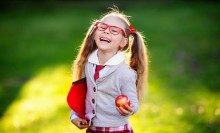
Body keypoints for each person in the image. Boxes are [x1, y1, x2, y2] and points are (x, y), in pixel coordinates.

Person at [70, 7, 148, 133]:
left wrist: (129, 109)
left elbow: (133, 103)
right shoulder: (88, 64)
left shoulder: (125, 73)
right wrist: (74, 116)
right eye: (102, 27)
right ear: (95, 33)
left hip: (117, 130)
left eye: (114, 30)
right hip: (92, 129)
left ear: (123, 42)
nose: (106, 32)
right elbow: (82, 96)